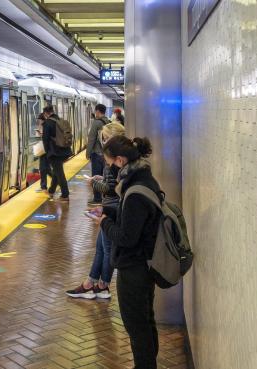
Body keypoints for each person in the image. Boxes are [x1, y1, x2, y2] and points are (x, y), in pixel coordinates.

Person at [93, 135, 160, 369]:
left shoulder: (136, 191)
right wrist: (111, 215)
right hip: (142, 263)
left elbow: (127, 237)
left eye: (111, 163)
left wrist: (104, 222)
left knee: (136, 325)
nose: (111, 168)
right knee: (145, 319)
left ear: (121, 160)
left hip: (134, 267)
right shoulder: (142, 181)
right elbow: (132, 223)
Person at [66, 122, 126, 300]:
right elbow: (113, 183)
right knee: (101, 248)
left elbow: (109, 189)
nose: (103, 141)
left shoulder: (115, 159)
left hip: (112, 208)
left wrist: (93, 183)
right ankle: (91, 283)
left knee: (107, 249)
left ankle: (103, 286)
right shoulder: (119, 156)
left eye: (105, 138)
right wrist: (101, 177)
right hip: (112, 206)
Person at [41, 105, 71, 201]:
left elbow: (45, 140)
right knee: (56, 171)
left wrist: (47, 152)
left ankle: (65, 194)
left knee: (59, 173)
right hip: (65, 151)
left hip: (54, 152)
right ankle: (51, 190)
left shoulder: (47, 123)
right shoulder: (61, 120)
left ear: (46, 113)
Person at [86, 104, 110, 206]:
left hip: (96, 154)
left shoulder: (96, 123)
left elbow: (91, 139)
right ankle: (105, 196)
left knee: (95, 176)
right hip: (105, 155)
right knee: (104, 176)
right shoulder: (108, 122)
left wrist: (88, 152)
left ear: (97, 111)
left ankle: (97, 198)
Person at [35, 113, 49, 192]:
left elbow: (47, 137)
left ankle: (44, 186)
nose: (39, 122)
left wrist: (41, 134)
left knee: (44, 169)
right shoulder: (45, 126)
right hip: (45, 150)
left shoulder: (45, 126)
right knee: (45, 169)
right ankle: (43, 185)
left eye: (39, 120)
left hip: (45, 151)